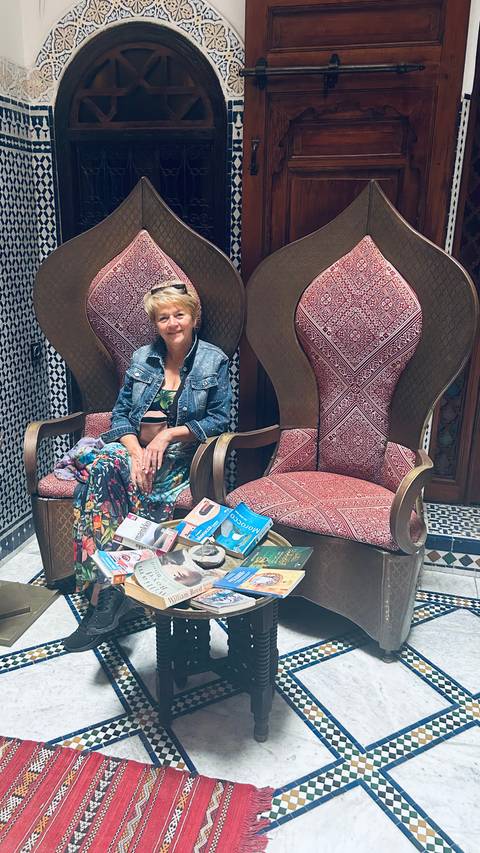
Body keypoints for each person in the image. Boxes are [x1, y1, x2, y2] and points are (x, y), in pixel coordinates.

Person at [64, 279, 232, 652]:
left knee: (103, 485)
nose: (172, 323)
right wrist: (136, 452)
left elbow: (220, 419)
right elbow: (121, 416)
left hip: (181, 462)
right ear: (154, 323)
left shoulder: (213, 360)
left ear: (193, 318)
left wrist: (165, 436)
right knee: (106, 464)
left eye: (179, 315)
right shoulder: (143, 359)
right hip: (135, 454)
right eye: (163, 318)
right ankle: (106, 597)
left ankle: (107, 596)